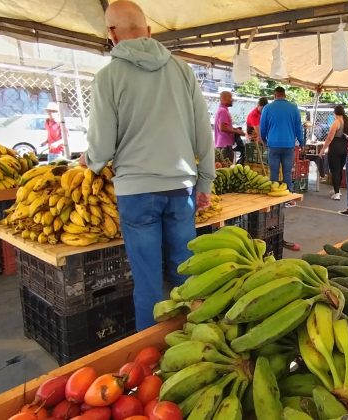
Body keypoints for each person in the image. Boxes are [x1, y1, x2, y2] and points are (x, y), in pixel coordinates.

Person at [80, 0, 215, 331]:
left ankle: (150, 354)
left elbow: (101, 145)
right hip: (181, 188)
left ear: (112, 33)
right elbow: (203, 133)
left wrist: (90, 160)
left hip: (137, 193)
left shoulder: (108, 77)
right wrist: (205, 183)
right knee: (186, 273)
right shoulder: (183, 71)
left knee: (148, 281)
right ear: (149, 32)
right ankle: (193, 341)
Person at [260, 86, 304, 208]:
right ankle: (289, 198)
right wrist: (301, 142)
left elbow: (263, 128)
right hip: (289, 145)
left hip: (273, 145)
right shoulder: (294, 108)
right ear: (284, 95)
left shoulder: (267, 108)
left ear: (275, 95)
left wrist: (264, 140)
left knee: (273, 172)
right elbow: (298, 128)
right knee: (287, 172)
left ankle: (274, 201)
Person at [321, 105, 348, 200]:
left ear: (335, 113)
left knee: (334, 171)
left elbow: (330, 137)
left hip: (335, 148)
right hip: (345, 148)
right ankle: (337, 190)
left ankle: (337, 193)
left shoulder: (337, 122)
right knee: (339, 169)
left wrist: (323, 149)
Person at [215, 91, 245, 163]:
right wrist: (237, 131)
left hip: (223, 145)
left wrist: (235, 129)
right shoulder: (223, 111)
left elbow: (225, 126)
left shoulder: (223, 110)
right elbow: (222, 127)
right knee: (227, 169)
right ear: (224, 98)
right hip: (225, 146)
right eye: (230, 97)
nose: (232, 99)